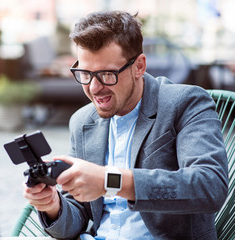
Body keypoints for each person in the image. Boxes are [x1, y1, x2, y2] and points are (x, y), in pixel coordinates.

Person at [23, 10, 228, 240]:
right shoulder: (82, 122)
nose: (93, 88)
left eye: (107, 74)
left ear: (139, 66)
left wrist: (110, 180)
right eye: (85, 73)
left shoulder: (185, 103)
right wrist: (52, 205)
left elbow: (209, 186)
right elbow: (78, 216)